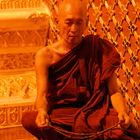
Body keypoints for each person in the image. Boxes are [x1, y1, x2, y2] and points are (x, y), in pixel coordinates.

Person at [22, 0, 139, 139]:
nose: (74, 29)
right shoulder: (45, 56)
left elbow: (114, 91)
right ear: (57, 21)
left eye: (79, 22)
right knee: (28, 119)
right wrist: (42, 111)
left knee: (127, 128)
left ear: (86, 23)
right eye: (68, 22)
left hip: (94, 112)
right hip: (62, 115)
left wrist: (122, 112)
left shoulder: (99, 49)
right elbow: (41, 95)